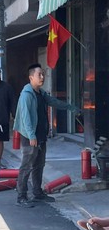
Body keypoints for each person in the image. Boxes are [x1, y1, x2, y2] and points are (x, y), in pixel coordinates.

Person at [13, 63, 79, 207]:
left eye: (43, 74)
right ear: (31, 77)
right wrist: (31, 136)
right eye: (39, 75)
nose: (42, 77)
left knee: (39, 165)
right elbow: (26, 118)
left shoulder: (41, 93)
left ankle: (37, 193)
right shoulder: (26, 95)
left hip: (40, 135)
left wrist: (70, 107)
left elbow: (53, 102)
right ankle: (21, 196)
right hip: (31, 136)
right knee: (26, 166)